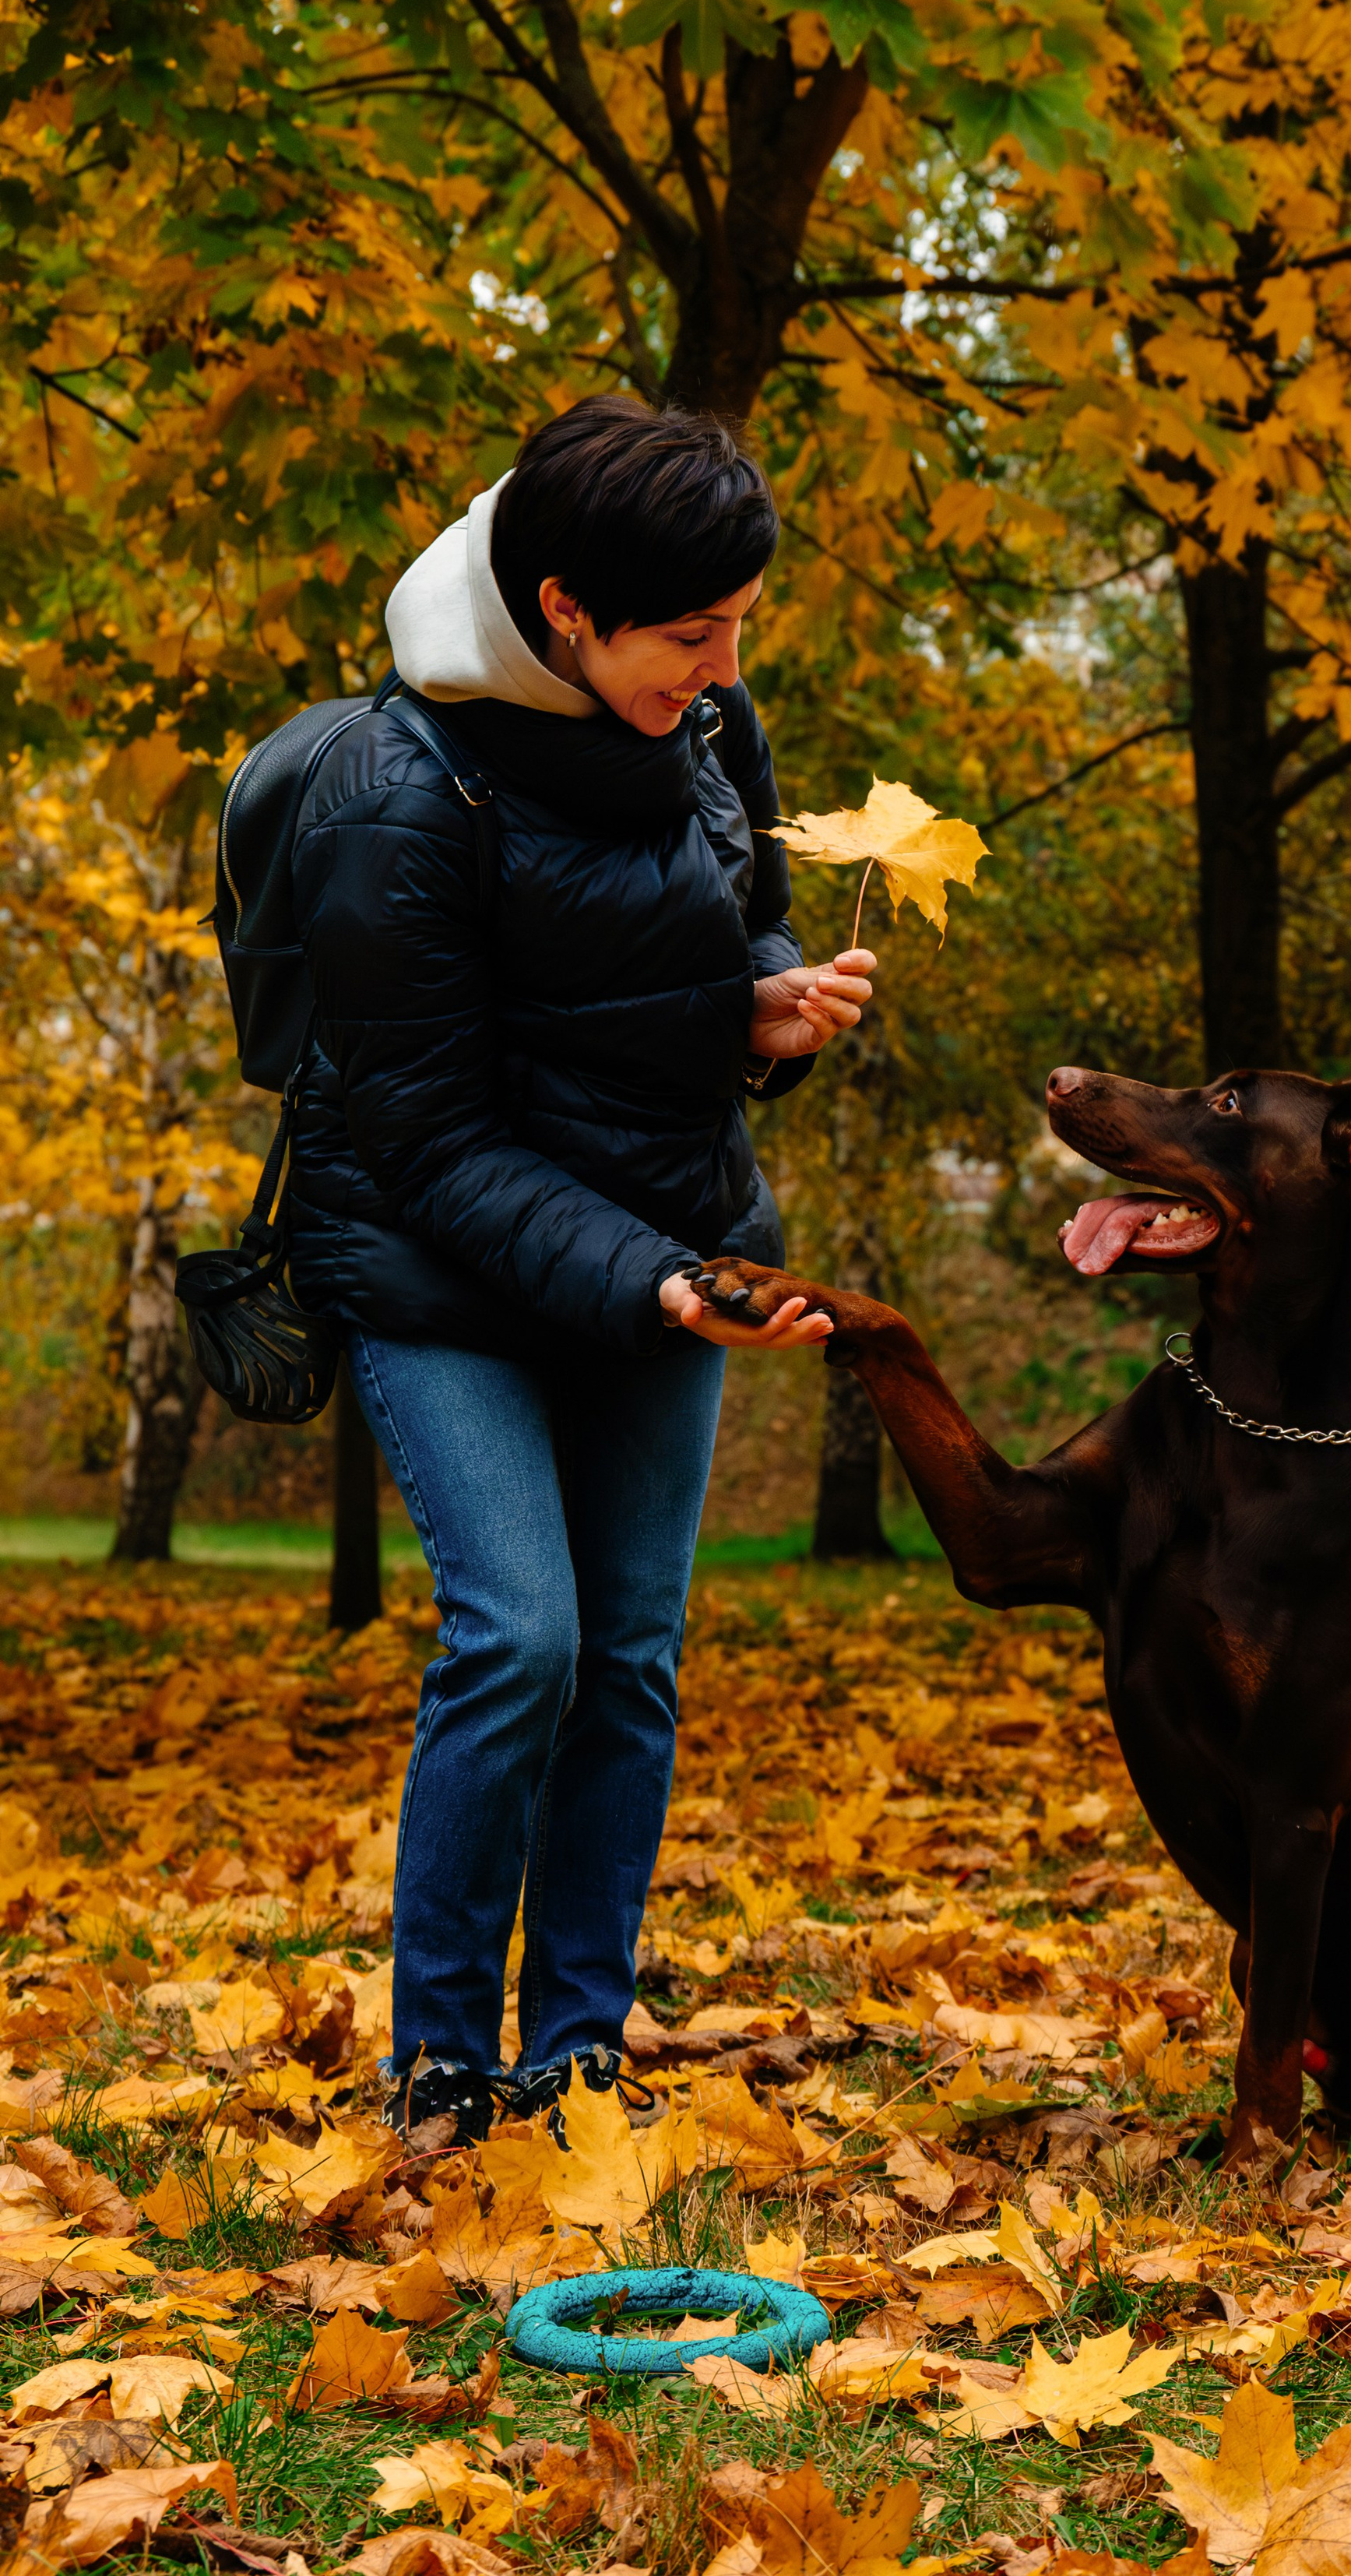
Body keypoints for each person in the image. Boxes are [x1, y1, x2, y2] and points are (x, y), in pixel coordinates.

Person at [287, 396, 870, 2145]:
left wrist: (764, 1014)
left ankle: (579, 2051)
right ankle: (444, 2060)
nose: (723, 666)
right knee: (520, 1638)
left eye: (738, 628)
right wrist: (645, 1277)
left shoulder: (704, 723)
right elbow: (433, 1137)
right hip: (442, 1263)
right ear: (561, 612)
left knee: (626, 1653)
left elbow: (728, 922)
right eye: (688, 636)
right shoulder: (395, 795)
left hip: (665, 1240)